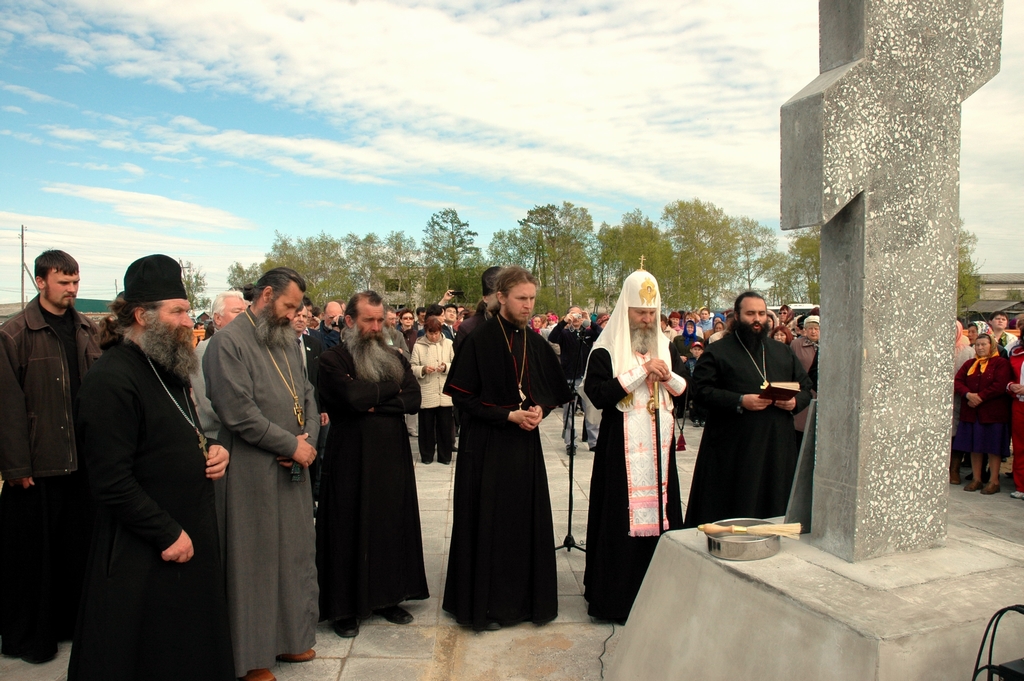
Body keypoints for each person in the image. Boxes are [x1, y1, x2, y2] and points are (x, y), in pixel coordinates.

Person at [69, 254, 233, 680]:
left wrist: (213, 450)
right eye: (177, 311)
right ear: (143, 315)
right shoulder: (111, 379)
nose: (186, 320)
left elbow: (180, 433)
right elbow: (110, 480)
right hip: (143, 549)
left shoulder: (169, 369)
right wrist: (167, 532)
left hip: (188, 532)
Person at [204, 268, 320, 681]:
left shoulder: (286, 337)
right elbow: (237, 412)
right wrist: (290, 445)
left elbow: (305, 393)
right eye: (289, 306)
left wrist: (307, 439)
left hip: (294, 465)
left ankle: (290, 638)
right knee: (253, 563)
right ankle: (252, 657)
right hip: (252, 471)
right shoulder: (227, 342)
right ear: (267, 295)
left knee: (294, 555)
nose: (293, 315)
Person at [441, 266, 570, 631]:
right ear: (502, 297)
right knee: (489, 526)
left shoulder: (534, 340)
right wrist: (507, 416)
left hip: (523, 450)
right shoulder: (479, 339)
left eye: (532, 299)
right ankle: (489, 607)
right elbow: (464, 400)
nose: (529, 306)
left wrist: (539, 410)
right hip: (486, 447)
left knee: (522, 524)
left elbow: (549, 389)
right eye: (521, 299)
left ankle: (526, 603)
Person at [0, 250, 101, 664]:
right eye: (64, 282)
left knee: (77, 552)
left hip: (83, 463)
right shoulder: (14, 334)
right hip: (38, 465)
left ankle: (71, 627)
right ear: (41, 281)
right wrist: (16, 465)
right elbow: (6, 406)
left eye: (76, 282)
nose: (72, 290)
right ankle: (31, 637)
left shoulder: (87, 329)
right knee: (31, 560)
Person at [315, 291, 427, 638]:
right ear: (349, 321)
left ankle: (388, 597)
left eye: (381, 320)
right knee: (347, 527)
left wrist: (375, 400)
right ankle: (344, 608)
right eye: (369, 321)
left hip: (392, 456)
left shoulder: (394, 356)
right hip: (350, 456)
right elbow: (351, 398)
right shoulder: (331, 359)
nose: (377, 328)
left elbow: (413, 399)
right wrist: (388, 392)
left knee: (390, 523)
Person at [581, 269, 688, 623]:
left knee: (664, 515)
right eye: (640, 312)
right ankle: (616, 599)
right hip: (619, 453)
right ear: (626, 309)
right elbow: (597, 395)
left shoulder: (666, 346)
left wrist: (668, 375)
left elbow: (685, 397)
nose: (646, 319)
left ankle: (663, 596)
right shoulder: (606, 349)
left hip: (660, 451)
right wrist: (641, 373)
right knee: (619, 519)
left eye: (652, 313)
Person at [683, 292, 813, 528]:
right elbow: (700, 391)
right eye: (750, 313)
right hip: (734, 448)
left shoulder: (782, 351)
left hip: (776, 446)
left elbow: (805, 387)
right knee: (736, 505)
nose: (757, 319)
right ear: (737, 316)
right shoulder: (718, 351)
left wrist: (794, 403)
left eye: (762, 314)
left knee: (774, 505)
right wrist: (740, 400)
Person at [953, 334, 1012, 494]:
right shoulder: (970, 364)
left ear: (991, 345)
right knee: (975, 446)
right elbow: (958, 381)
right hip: (972, 412)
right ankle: (977, 478)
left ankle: (994, 480)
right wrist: (967, 394)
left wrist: (980, 396)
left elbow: (1000, 384)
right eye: (977, 345)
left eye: (983, 344)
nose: (980, 347)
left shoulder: (1000, 364)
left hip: (993, 413)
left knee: (993, 447)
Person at [548, 305, 600, 450]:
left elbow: (602, 335)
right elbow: (552, 338)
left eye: (579, 315)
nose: (576, 318)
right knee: (569, 412)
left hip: (586, 377)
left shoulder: (587, 333)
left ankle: (594, 441)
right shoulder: (565, 333)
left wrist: (590, 322)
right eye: (573, 315)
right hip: (570, 376)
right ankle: (570, 442)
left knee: (590, 409)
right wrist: (564, 322)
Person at [411, 316, 455, 464]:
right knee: (426, 427)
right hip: (427, 390)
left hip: (444, 392)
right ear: (426, 332)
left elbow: (455, 364)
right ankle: (427, 455)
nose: (434, 336)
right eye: (431, 333)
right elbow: (412, 367)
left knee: (445, 427)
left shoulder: (449, 343)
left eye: (436, 333)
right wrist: (423, 369)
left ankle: (445, 457)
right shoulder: (418, 346)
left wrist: (445, 367)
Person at [791, 315, 819, 450]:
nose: (813, 332)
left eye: (816, 329)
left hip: (819, 392)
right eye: (810, 329)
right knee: (801, 430)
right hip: (803, 391)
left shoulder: (826, 345)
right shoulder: (796, 345)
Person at [1007, 342, 1024, 499]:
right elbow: (1008, 379)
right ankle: (1021, 486)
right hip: (1019, 404)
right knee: (1019, 446)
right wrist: (1011, 386)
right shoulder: (1016, 354)